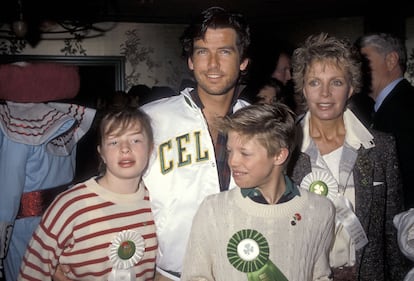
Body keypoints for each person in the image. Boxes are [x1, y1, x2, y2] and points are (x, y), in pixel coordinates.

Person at [53, 6, 252, 281]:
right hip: (168, 274)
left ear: (243, 61)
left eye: (225, 51)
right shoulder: (152, 119)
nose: (213, 64)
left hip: (244, 270)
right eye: (203, 51)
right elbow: (110, 189)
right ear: (191, 61)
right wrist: (78, 247)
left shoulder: (259, 124)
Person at [288, 32, 409, 280]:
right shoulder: (284, 150)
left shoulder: (382, 148)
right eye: (314, 82)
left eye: (336, 82)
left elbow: (392, 232)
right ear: (303, 88)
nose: (324, 93)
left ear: (351, 87)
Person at [181, 103, 335, 281]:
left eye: (245, 153)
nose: (232, 161)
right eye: (230, 151)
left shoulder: (320, 210)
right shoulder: (213, 210)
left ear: (279, 155)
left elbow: (320, 275)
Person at [18, 95, 157, 280]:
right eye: (114, 142)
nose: (125, 148)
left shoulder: (158, 202)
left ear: (150, 149)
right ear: (102, 153)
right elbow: (32, 271)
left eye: (135, 140)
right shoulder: (70, 206)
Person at [0, 62, 96, 281]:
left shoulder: (17, 128)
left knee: (23, 273)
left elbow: (8, 188)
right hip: (59, 218)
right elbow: (69, 177)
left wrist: (2, 227)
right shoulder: (63, 122)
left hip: (23, 223)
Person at [358, 32, 414, 210]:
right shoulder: (386, 106)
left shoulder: (405, 107)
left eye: (364, 62)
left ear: (391, 60)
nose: (357, 69)